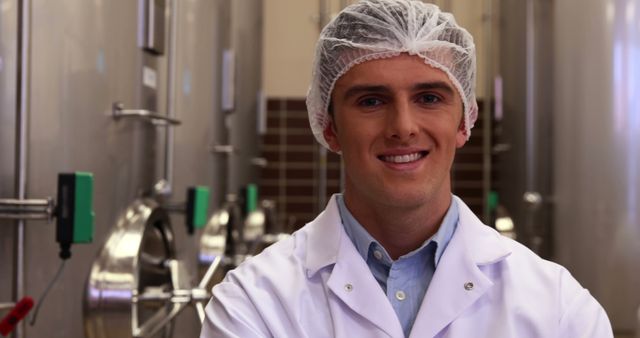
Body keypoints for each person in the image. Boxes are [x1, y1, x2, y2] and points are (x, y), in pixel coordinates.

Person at [200, 1, 613, 337]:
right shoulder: (253, 304)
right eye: (371, 101)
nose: (403, 127)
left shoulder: (559, 309)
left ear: (464, 121)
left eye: (430, 98)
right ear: (329, 127)